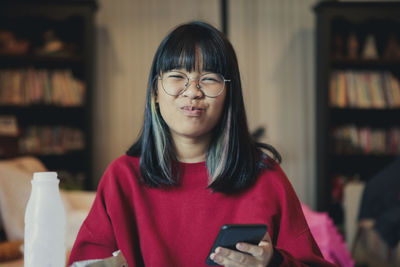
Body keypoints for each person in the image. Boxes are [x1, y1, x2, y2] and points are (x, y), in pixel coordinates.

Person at [68, 21, 336, 267]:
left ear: (229, 96)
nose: (193, 91)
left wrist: (275, 263)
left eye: (209, 79)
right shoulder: (122, 177)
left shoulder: (265, 175)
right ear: (155, 92)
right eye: (176, 76)